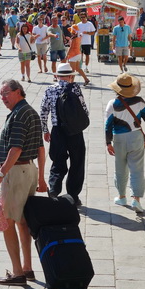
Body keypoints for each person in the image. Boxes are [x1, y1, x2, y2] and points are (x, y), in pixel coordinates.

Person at [0, 80, 47, 286]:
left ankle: (17, 272)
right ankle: (27, 268)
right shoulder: (29, 111)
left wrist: (0, 175)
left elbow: (16, 149)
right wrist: (40, 177)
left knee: (7, 222)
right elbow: (40, 147)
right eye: (1, 95)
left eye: (6, 93)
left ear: (18, 92)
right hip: (28, 170)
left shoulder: (20, 115)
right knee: (23, 221)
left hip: (16, 172)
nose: (3, 98)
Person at [104, 73, 145, 214]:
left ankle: (122, 197)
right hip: (136, 138)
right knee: (137, 169)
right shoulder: (139, 102)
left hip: (119, 139)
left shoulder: (112, 104)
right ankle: (136, 199)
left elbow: (107, 125)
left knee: (120, 168)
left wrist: (108, 142)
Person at [40, 63, 88, 205]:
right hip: (75, 131)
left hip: (57, 131)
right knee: (77, 162)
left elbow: (43, 111)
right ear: (71, 76)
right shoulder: (75, 88)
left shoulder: (50, 90)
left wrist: (45, 130)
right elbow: (84, 109)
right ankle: (73, 195)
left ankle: (54, 189)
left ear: (57, 76)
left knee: (58, 161)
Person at [65, 16, 90, 86]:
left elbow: (71, 47)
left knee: (72, 70)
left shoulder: (73, 38)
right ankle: (86, 79)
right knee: (78, 68)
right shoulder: (79, 37)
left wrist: (67, 55)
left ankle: (71, 83)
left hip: (73, 55)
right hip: (78, 54)